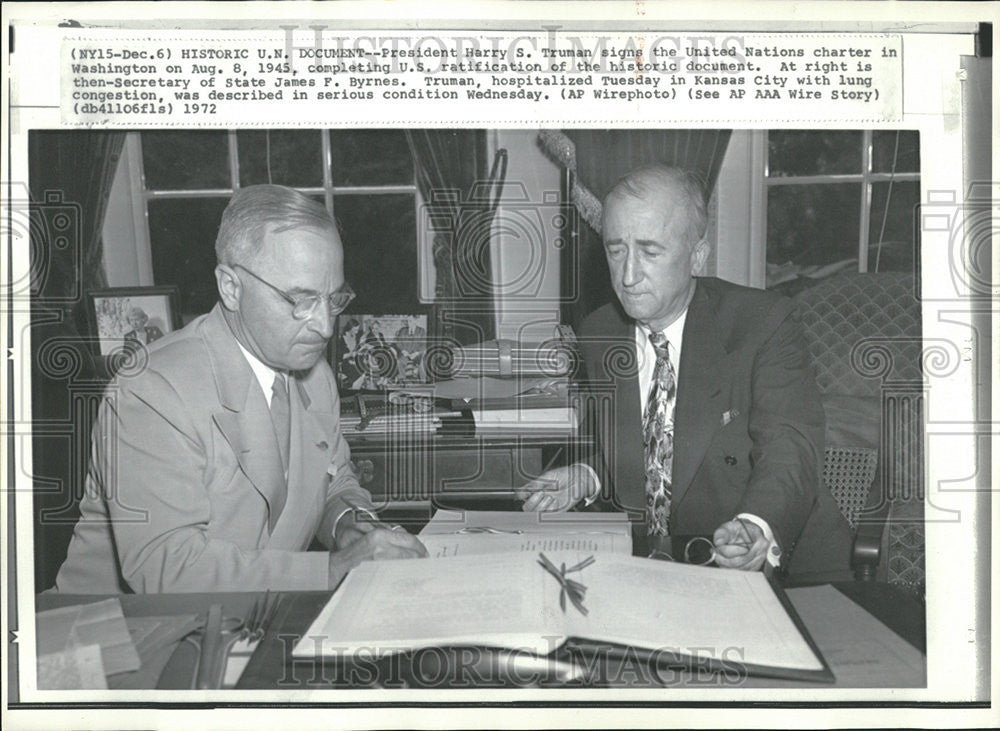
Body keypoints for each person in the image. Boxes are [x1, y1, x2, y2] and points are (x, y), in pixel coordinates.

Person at [55, 185, 427, 593]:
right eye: (299, 300)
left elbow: (333, 480)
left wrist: (350, 524)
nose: (324, 325)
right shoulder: (150, 390)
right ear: (231, 287)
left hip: (244, 623)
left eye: (333, 299)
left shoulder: (314, 376)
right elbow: (166, 567)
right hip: (123, 637)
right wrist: (333, 569)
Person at [517, 165, 852, 583]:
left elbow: (790, 446)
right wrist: (587, 477)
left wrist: (757, 525)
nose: (628, 275)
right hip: (658, 570)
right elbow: (649, 442)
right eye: (616, 249)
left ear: (697, 256)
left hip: (780, 570)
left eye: (650, 252)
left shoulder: (763, 322)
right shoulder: (599, 332)